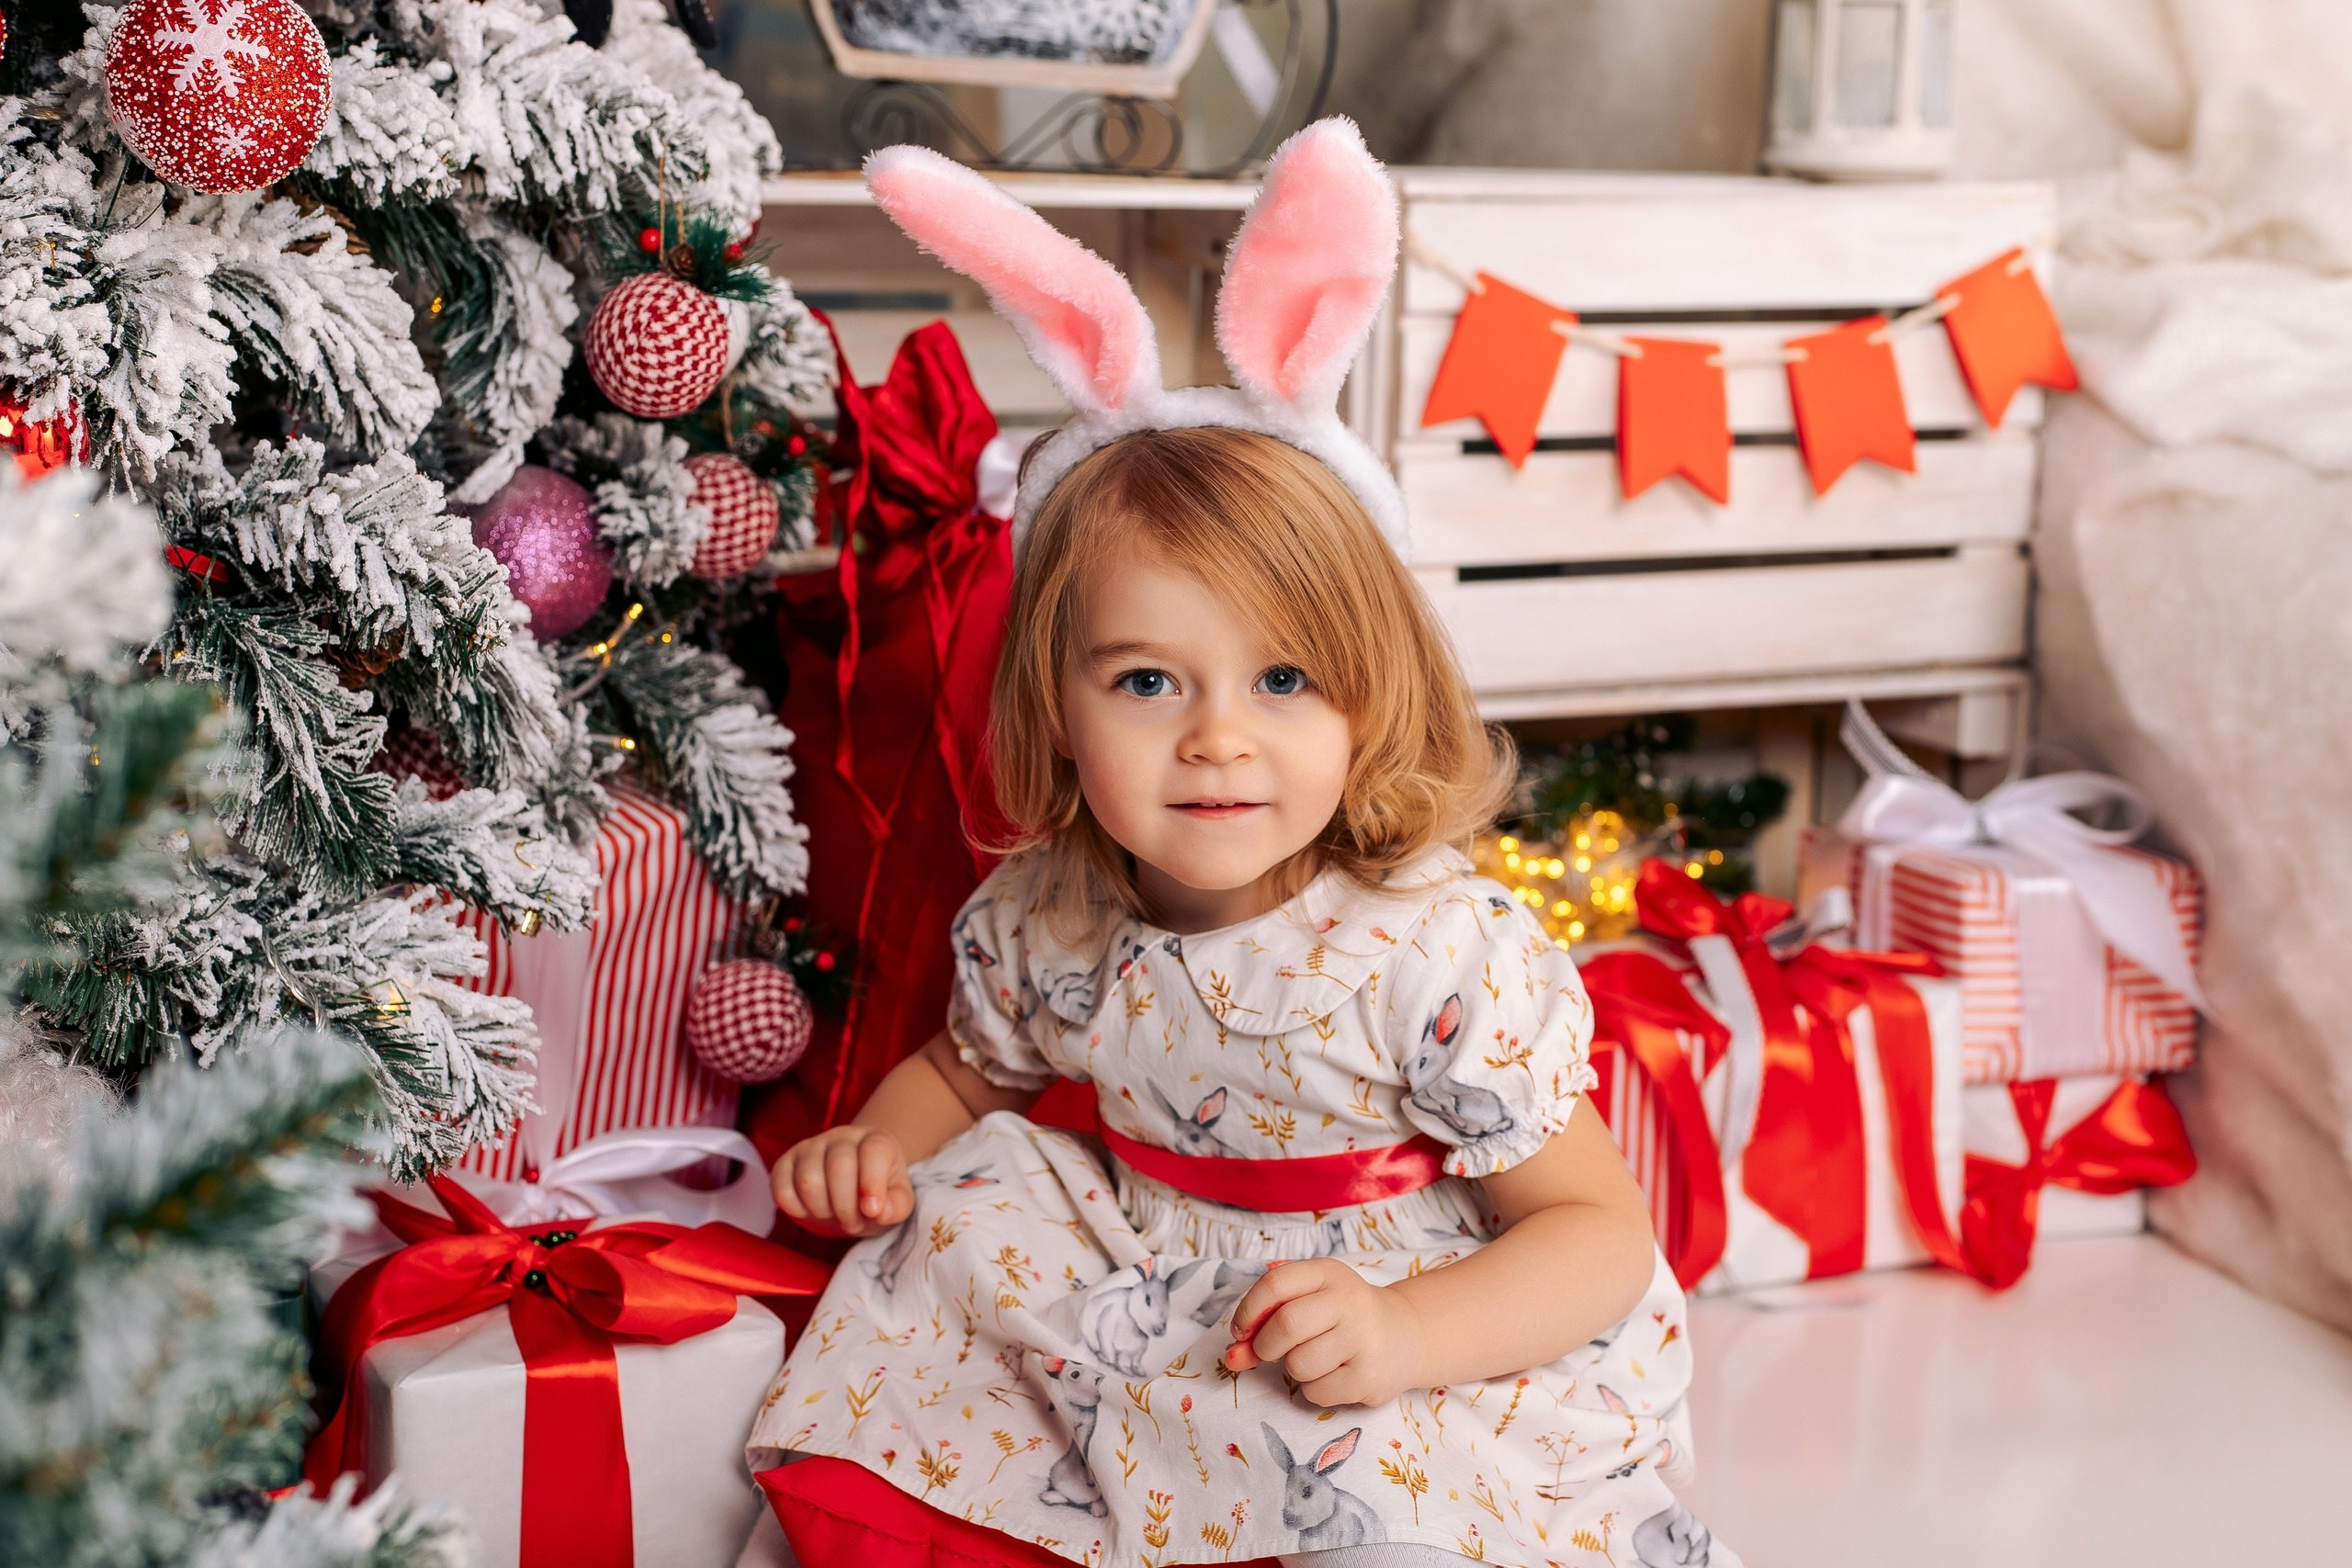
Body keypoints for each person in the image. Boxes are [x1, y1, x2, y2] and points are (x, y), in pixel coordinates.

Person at [749, 120, 1731, 1568]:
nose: (1217, 739)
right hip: (1142, 1263)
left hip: (1383, 1309)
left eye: (1283, 681)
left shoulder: (1427, 949)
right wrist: (877, 1154)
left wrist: (1408, 1331)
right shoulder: (1055, 911)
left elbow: (1595, 1233)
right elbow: (972, 1069)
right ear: (1059, 708)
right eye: (1148, 682)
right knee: (940, 1270)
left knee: (1357, 1496)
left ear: (1368, 698)